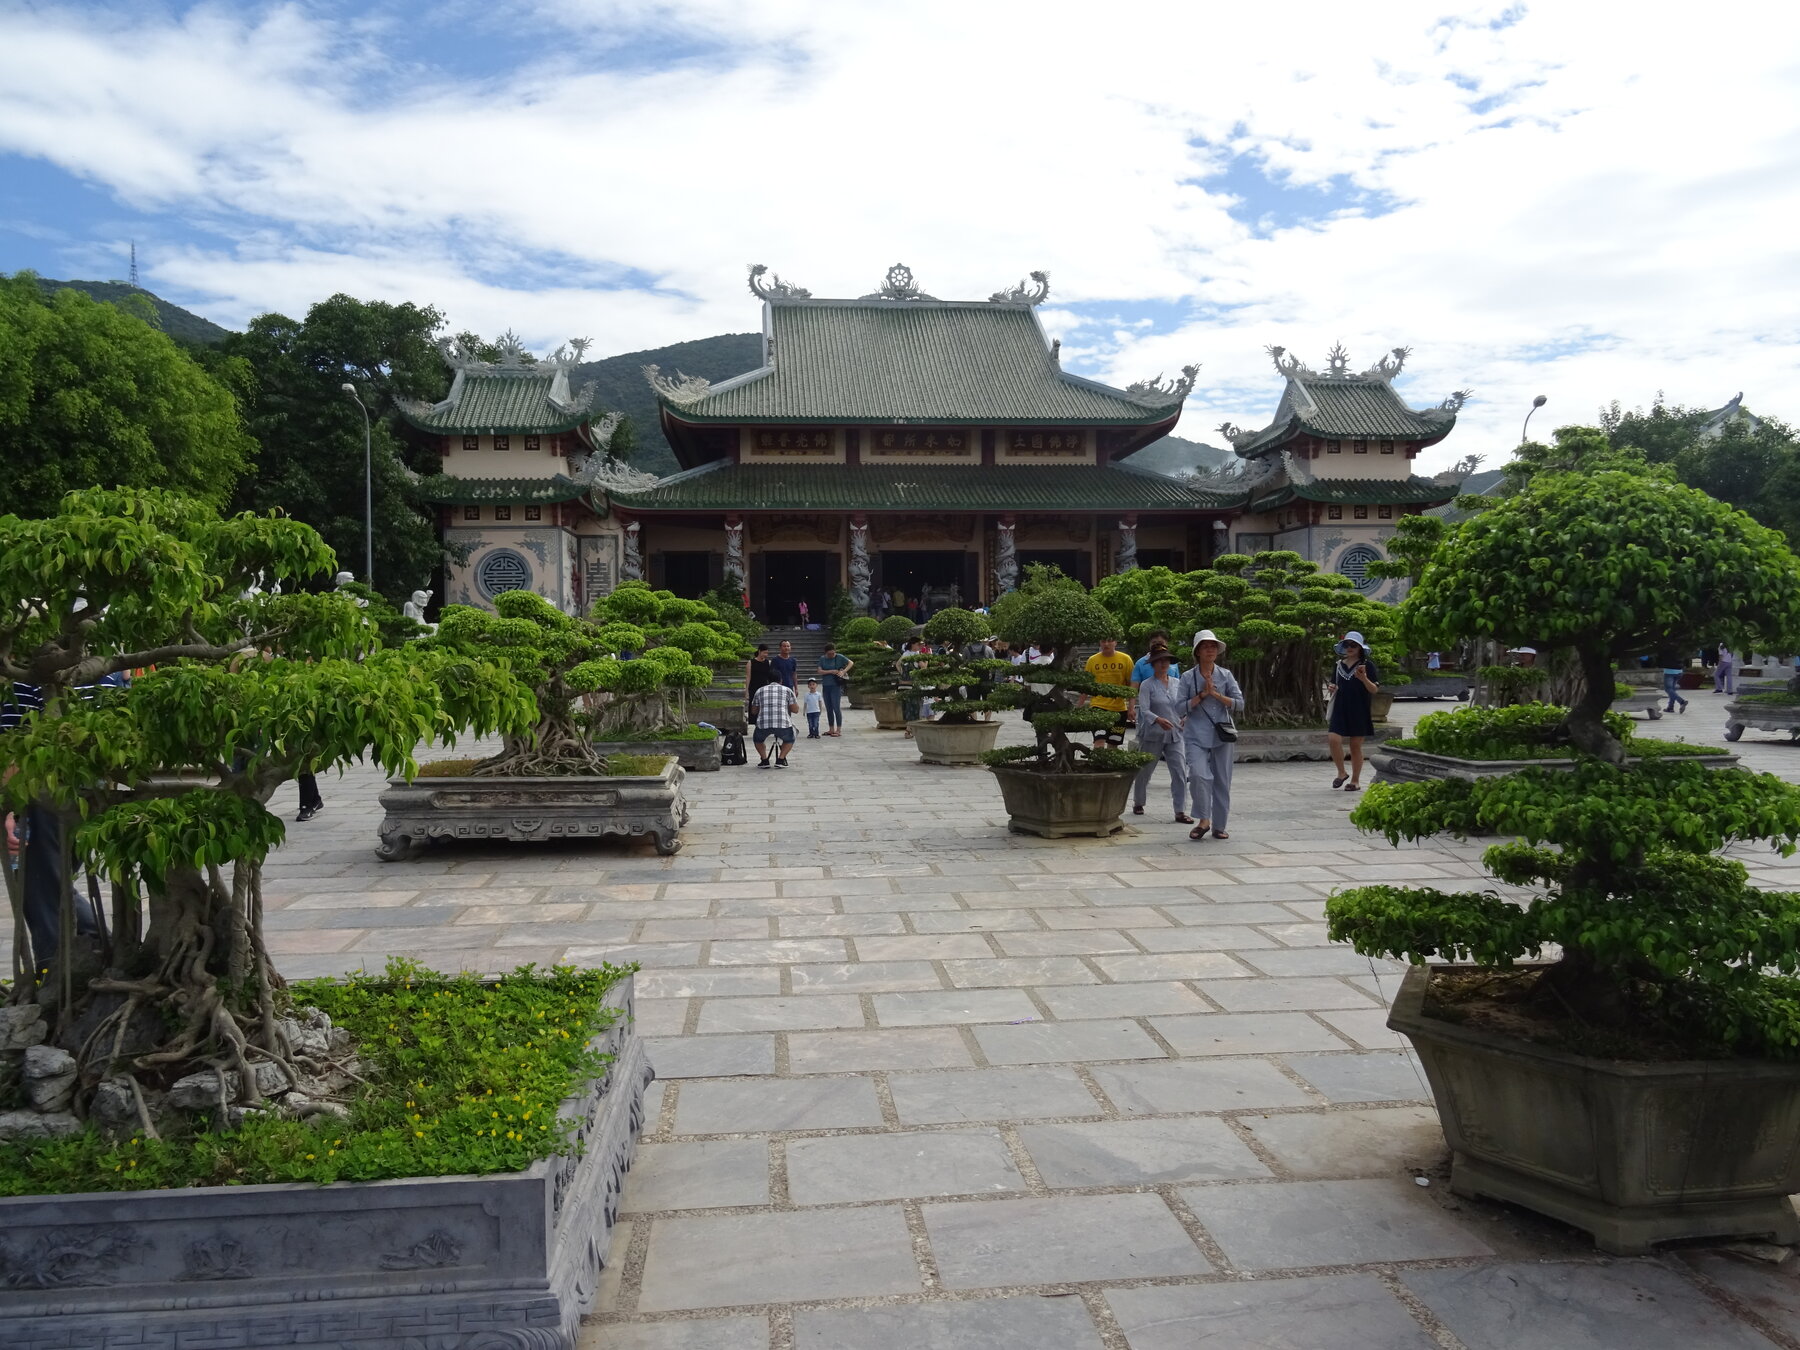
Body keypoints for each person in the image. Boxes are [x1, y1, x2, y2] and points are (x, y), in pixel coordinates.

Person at [1177, 630, 1242, 840]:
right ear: (1197, 651)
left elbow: (1239, 704)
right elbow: (1179, 707)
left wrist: (1216, 694)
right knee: (1198, 774)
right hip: (1195, 733)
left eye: (1213, 646)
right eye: (1205, 646)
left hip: (1221, 734)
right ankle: (1204, 819)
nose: (1210, 650)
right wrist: (1202, 695)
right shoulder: (1187, 677)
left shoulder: (1226, 675)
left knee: (1222, 780)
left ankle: (1219, 825)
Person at [1132, 646, 1192, 824]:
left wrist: (1186, 717)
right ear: (1153, 664)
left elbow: (1184, 705)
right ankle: (1139, 801)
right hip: (1153, 734)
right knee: (1145, 770)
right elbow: (1144, 709)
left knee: (1180, 772)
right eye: (1159, 661)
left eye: (1166, 661)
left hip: (1175, 733)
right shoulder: (1147, 685)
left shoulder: (1177, 683)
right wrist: (1157, 719)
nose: (1163, 664)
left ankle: (1180, 810)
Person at [1327, 630, 1381, 792]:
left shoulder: (1367, 666)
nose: (1350, 648)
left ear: (1360, 648)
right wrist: (1332, 688)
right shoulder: (1338, 665)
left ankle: (1355, 781)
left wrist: (1363, 678)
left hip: (1359, 708)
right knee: (1333, 739)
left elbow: (1374, 690)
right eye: (1347, 645)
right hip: (1340, 707)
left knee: (1355, 746)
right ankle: (1341, 772)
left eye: (1354, 645)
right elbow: (1334, 684)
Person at [1085, 634, 1135, 745]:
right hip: (1098, 707)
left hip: (1119, 709)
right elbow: (1086, 686)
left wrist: (1131, 708)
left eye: (1110, 641)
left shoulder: (1126, 659)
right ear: (1099, 642)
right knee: (1099, 740)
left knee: (1113, 743)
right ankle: (1098, 762)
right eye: (1103, 641)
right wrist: (1079, 707)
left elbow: (1131, 685)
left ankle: (1106, 763)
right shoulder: (1092, 660)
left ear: (1116, 642)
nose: (1106, 644)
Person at [750, 677, 800, 768]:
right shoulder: (787, 690)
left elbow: (753, 711)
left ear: (767, 681)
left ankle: (764, 760)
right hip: (782, 723)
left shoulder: (759, 691)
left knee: (758, 740)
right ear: (781, 680)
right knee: (790, 738)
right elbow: (795, 710)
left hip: (763, 724)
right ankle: (781, 759)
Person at [815, 642, 854, 736]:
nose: (831, 655)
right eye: (829, 654)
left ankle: (838, 729)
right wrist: (831, 671)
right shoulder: (822, 659)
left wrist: (844, 671)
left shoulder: (839, 657)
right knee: (829, 708)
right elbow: (819, 671)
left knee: (836, 707)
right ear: (825, 653)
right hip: (826, 685)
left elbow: (851, 663)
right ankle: (831, 728)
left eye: (833, 653)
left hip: (836, 685)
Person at [1656, 643, 1689, 714]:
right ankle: (1670, 707)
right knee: (1672, 690)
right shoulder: (1679, 648)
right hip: (1679, 671)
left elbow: (1660, 659)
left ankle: (1682, 701)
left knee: (1668, 689)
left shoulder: (1664, 649)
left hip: (1669, 671)